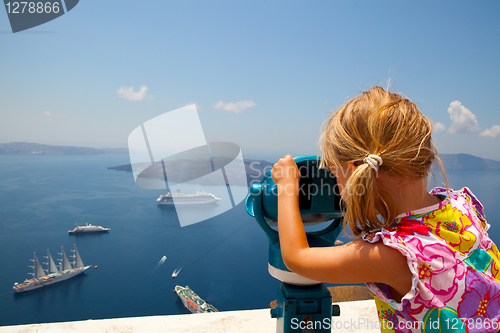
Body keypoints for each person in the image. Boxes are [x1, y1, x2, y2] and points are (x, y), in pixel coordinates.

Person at [271, 86, 500, 332]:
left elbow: (296, 258)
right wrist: (350, 251)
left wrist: (287, 187)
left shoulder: (393, 255)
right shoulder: (462, 205)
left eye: (334, 173)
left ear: (352, 170)